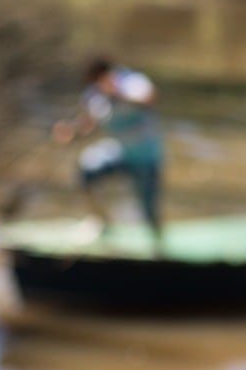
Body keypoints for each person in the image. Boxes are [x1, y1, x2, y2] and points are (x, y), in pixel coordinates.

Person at [53, 57, 165, 249]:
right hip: (120, 153)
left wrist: (118, 94)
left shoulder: (133, 82)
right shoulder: (95, 96)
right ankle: (102, 223)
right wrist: (71, 131)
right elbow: (88, 125)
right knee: (86, 171)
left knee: (149, 213)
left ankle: (158, 249)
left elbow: (150, 98)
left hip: (146, 157)